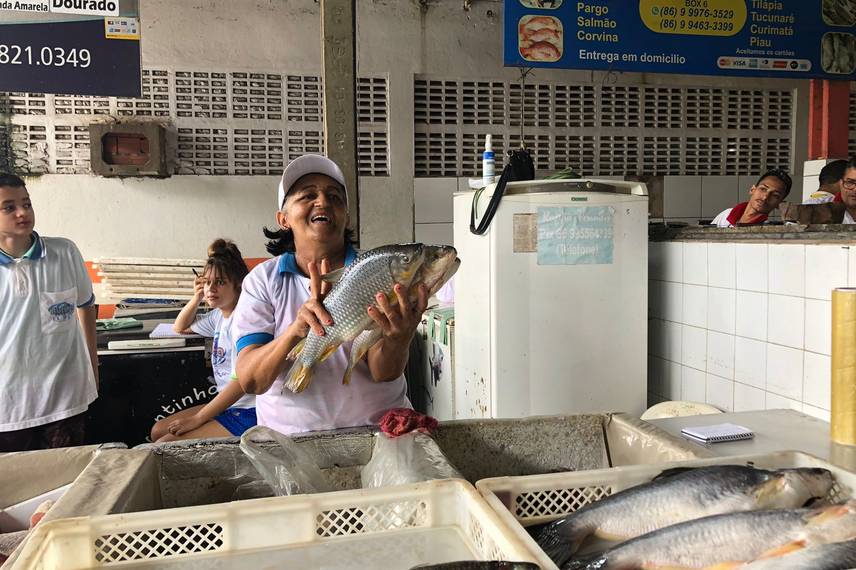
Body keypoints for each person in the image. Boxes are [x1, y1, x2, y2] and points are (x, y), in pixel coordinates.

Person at [232, 154, 425, 435]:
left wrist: (399, 339)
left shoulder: (373, 273)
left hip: (380, 435)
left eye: (335, 197)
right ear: (283, 218)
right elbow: (251, 381)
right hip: (291, 443)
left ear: (346, 217)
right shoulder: (262, 282)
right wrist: (296, 331)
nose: (323, 202)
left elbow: (383, 372)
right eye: (307, 195)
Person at [0, 173, 98, 451]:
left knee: (65, 481)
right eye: (9, 207)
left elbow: (86, 304)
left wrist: (92, 363)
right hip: (8, 407)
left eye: (27, 204)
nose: (22, 213)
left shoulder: (64, 252)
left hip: (64, 399)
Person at [150, 239, 255, 442]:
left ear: (239, 284)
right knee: (157, 431)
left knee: (164, 444)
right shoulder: (218, 315)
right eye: (207, 282)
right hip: (229, 405)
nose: (211, 288)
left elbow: (242, 382)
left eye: (220, 282)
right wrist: (197, 297)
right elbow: (179, 327)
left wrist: (198, 419)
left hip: (250, 410)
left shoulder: (244, 320)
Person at [711, 168, 792, 227]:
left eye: (775, 195)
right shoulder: (726, 215)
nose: (765, 197)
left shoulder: (767, 230)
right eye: (763, 189)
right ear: (752, 190)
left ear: (779, 204)